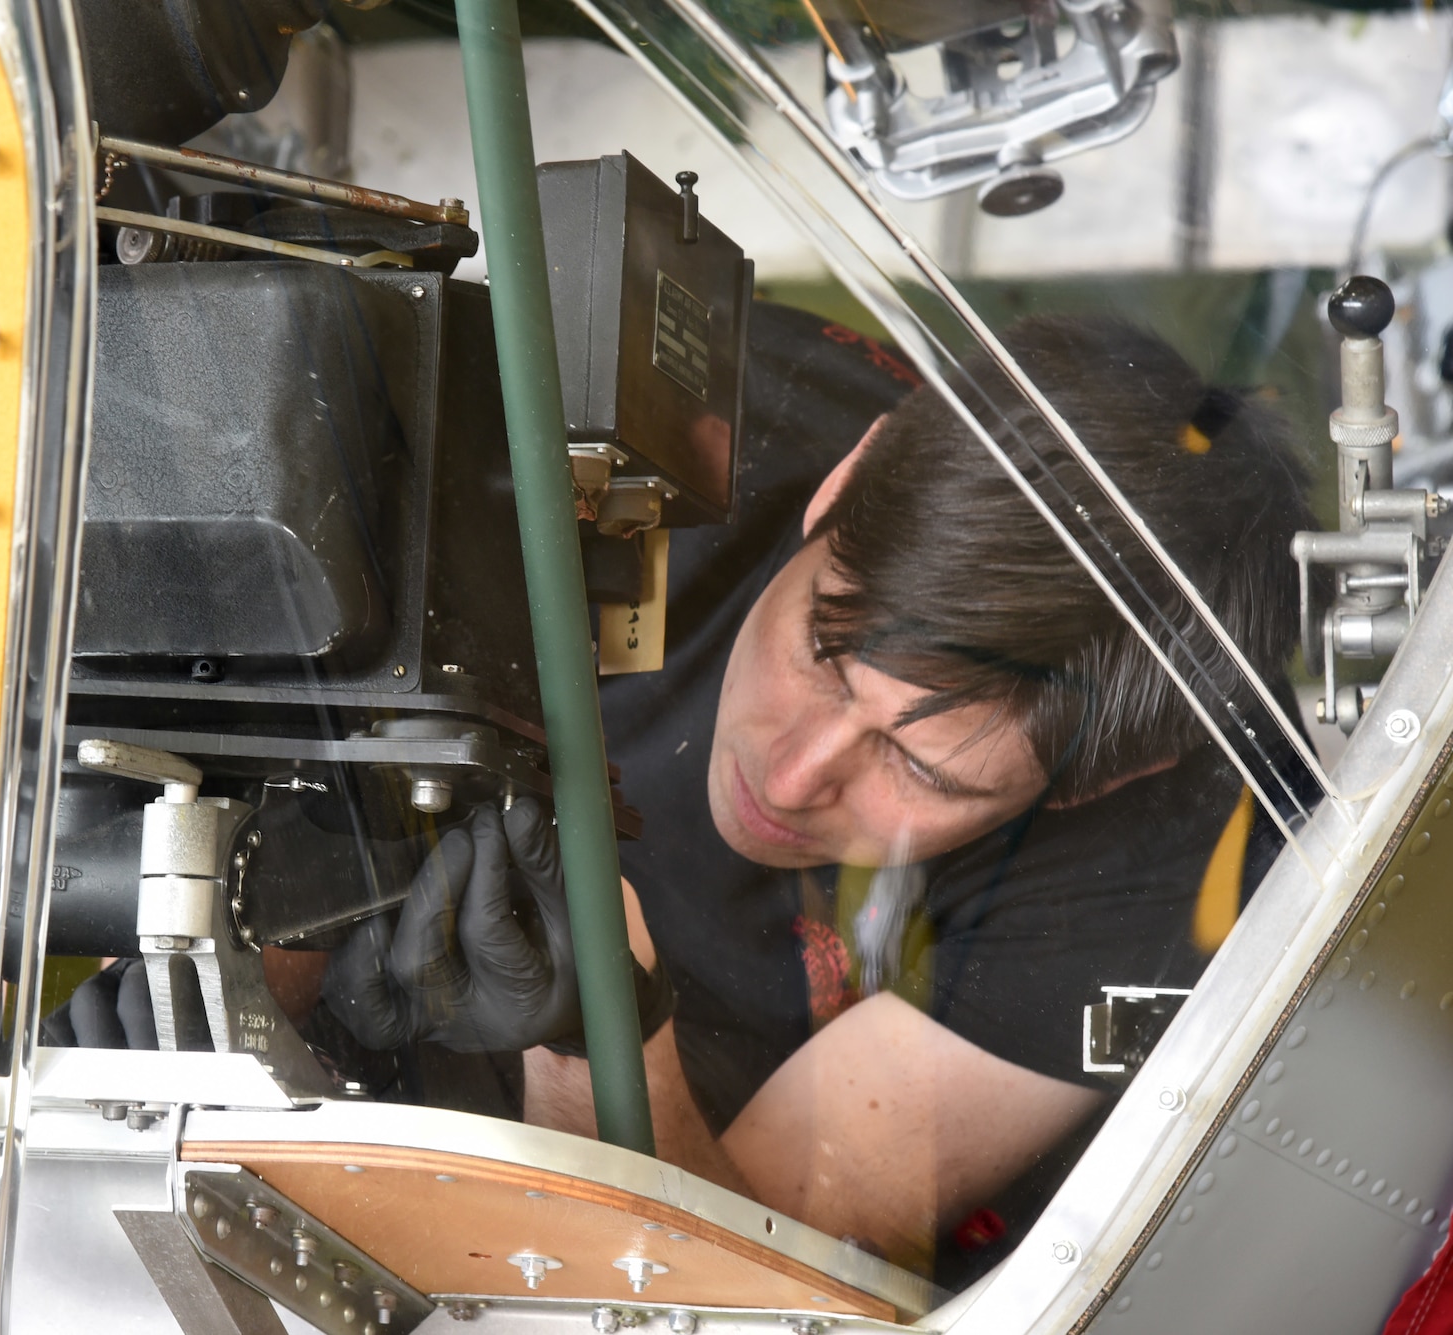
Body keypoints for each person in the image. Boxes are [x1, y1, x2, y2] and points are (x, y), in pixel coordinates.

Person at [319, 305, 1314, 1284]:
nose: (790, 780)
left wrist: (593, 1033)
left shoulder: (1165, 879)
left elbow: (722, 1290)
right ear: (843, 480)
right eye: (822, 657)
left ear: (1103, 779)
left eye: (921, 771)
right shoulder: (692, 418)